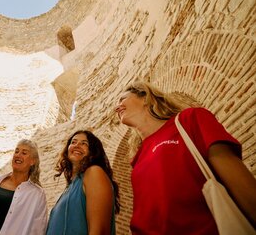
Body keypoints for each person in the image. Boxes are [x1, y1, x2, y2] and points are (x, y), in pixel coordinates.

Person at [115, 81, 256, 234]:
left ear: (145, 97)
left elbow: (238, 181)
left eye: (123, 98)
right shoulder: (137, 159)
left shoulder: (190, 120)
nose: (117, 106)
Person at [46, 130, 120, 235]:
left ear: (93, 151)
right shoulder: (71, 186)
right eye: (73, 142)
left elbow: (99, 231)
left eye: (84, 143)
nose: (77, 145)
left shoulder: (94, 173)